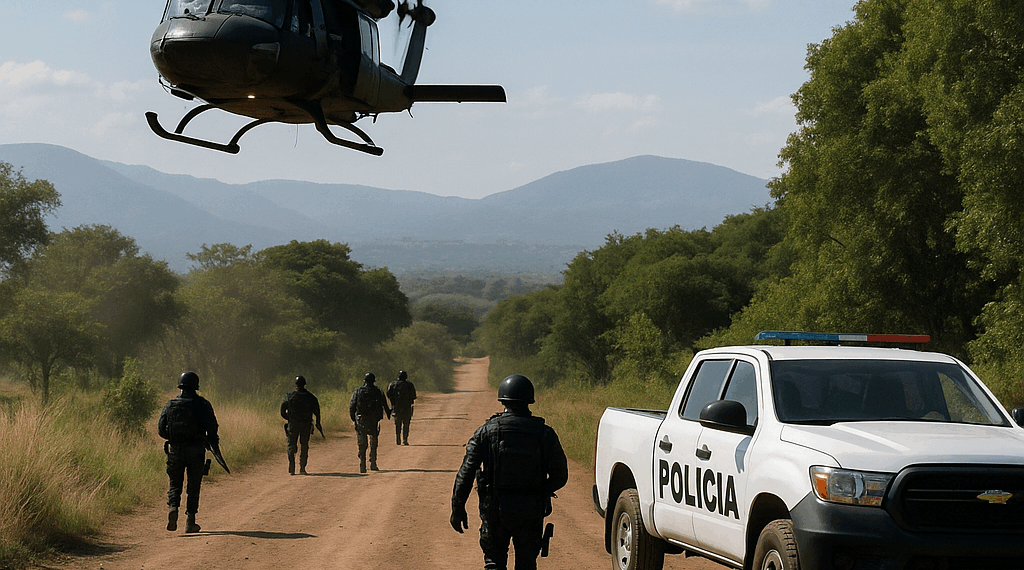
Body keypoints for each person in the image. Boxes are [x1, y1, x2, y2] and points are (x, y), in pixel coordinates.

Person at [450, 374, 568, 570]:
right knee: (527, 564)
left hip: (495, 511)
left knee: (494, 563)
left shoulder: (485, 431)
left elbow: (467, 471)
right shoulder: (544, 433)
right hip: (531, 511)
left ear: (502, 399)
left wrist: (458, 506)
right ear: (529, 400)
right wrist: (540, 491)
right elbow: (560, 476)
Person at [158, 371, 220, 534]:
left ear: (180, 385)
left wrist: (173, 438)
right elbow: (212, 428)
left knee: (174, 483)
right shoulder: (203, 404)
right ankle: (190, 521)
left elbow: (161, 429)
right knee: (194, 485)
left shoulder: (170, 404)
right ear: (196, 386)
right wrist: (211, 441)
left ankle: (173, 507)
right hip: (196, 449)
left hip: (176, 450)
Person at [349, 372, 391, 473]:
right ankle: (373, 463)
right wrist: (389, 413)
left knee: (362, 443)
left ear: (364, 380)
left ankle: (362, 464)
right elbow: (384, 404)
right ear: (373, 381)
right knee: (373, 442)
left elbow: (352, 406)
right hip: (373, 420)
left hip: (361, 419)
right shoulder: (377, 391)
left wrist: (354, 419)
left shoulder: (358, 391)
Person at [280, 375, 322, 475]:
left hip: (293, 425)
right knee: (304, 446)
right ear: (304, 384)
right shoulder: (311, 397)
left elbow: (282, 411)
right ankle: (302, 468)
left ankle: (292, 467)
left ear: (296, 384)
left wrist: (289, 419)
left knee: (291, 446)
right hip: (306, 425)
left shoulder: (290, 397)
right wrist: (317, 423)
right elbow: (317, 412)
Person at [386, 370, 417, 445]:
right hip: (407, 407)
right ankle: (405, 439)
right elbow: (414, 396)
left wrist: (393, 402)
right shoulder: (409, 385)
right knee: (406, 424)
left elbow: (388, 394)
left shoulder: (393, 384)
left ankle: (398, 438)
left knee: (398, 424)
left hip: (396, 407)